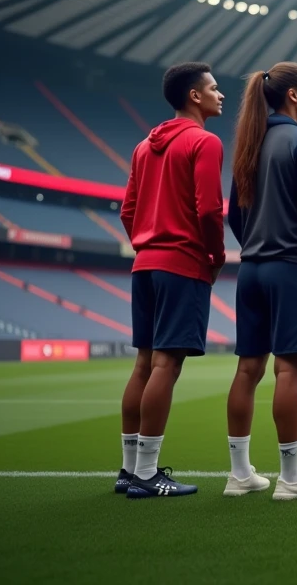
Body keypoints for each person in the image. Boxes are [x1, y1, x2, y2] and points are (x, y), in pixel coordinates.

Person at [223, 62, 297, 500]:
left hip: (250, 269)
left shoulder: (249, 143)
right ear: (292, 95)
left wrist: (256, 243)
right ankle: (290, 478)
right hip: (290, 268)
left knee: (247, 369)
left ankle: (239, 475)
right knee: (289, 370)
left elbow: (234, 215)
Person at [118, 62, 225, 498]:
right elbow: (209, 209)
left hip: (145, 264)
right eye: (214, 88)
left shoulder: (144, 146)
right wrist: (215, 257)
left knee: (143, 363)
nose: (221, 94)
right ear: (194, 96)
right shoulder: (205, 141)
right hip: (182, 264)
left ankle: (129, 470)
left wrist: (148, 244)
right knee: (166, 365)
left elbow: (128, 210)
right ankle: (147, 473)